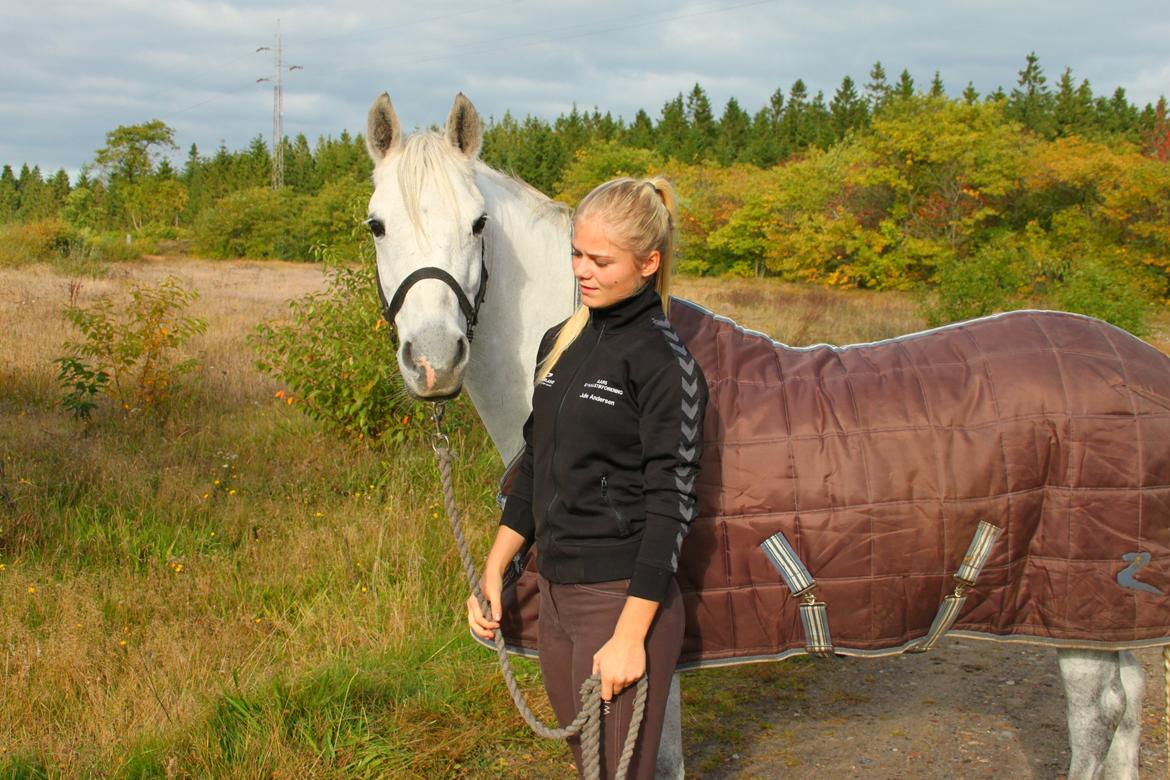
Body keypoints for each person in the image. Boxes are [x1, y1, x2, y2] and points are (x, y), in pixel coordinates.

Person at [467, 176, 707, 779]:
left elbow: (671, 505)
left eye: (601, 260)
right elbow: (534, 466)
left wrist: (630, 635)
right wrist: (495, 566)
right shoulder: (561, 343)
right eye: (576, 253)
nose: (583, 271)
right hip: (556, 598)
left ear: (649, 263)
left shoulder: (663, 364)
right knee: (591, 770)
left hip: (618, 600)